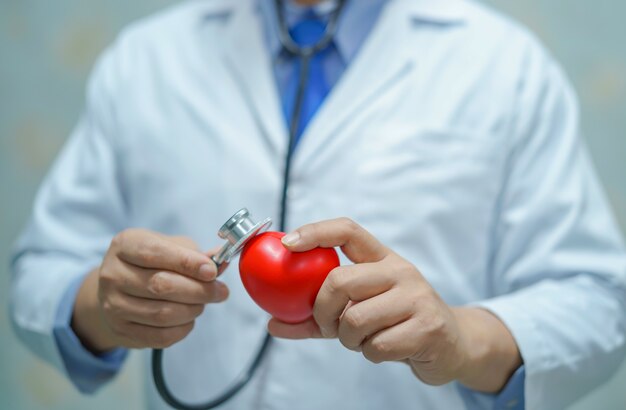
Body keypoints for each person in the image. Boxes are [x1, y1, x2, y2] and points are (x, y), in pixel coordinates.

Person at [9, 0, 626, 409]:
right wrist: (101, 304)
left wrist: (463, 339)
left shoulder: (503, 64)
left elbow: (599, 304)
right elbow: (38, 274)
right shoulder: (145, 59)